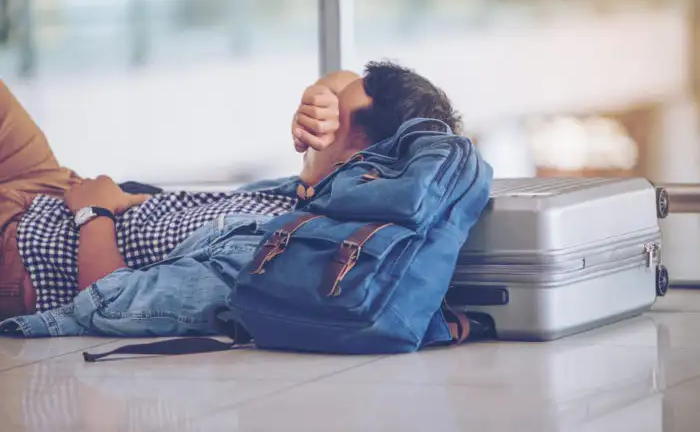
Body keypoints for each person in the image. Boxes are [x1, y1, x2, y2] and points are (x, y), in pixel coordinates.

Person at [0, 61, 463, 337]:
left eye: (335, 114)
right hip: (46, 188)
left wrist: (93, 211)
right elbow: (344, 80)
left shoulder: (274, 255)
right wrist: (321, 96)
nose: (318, 117)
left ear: (364, 162)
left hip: (21, 253)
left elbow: (108, 305)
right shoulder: (305, 198)